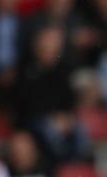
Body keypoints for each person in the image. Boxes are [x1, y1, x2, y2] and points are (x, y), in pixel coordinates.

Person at [16, 26, 90, 163]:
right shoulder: (27, 71)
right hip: (35, 120)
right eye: (46, 49)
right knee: (49, 130)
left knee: (80, 128)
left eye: (53, 50)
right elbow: (27, 104)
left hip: (60, 118)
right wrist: (53, 118)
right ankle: (62, 161)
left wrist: (66, 118)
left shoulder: (63, 70)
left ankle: (79, 162)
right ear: (37, 47)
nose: (49, 53)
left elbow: (68, 99)